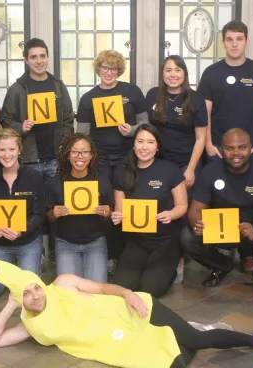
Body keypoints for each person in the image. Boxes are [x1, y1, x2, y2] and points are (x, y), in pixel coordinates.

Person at [0, 259, 253, 368]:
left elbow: (105, 288)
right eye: (27, 293)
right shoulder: (30, 326)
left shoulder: (63, 283)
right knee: (176, 360)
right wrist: (12, 304)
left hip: (135, 311)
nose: (36, 294)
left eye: (35, 286)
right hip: (119, 343)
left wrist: (128, 294)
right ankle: (195, 330)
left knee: (195, 343)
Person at [197, 20, 253, 274]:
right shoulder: (211, 73)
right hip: (219, 151)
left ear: (246, 41)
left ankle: (248, 252)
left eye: (239, 39)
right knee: (221, 201)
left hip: (250, 152)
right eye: (229, 39)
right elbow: (204, 112)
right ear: (223, 43)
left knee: (250, 202)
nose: (234, 44)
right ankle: (222, 249)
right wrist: (209, 143)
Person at [181, 128, 253, 298]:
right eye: (230, 148)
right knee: (187, 237)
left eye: (242, 147)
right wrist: (197, 223)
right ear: (221, 149)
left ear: (250, 148)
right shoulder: (210, 171)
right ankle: (222, 265)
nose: (236, 153)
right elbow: (195, 209)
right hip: (221, 228)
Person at [2, 38, 74, 263]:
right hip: (29, 159)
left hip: (54, 158)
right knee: (32, 207)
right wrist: (20, 127)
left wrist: (63, 144)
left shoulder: (58, 86)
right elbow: (6, 120)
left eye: (42, 56)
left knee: (56, 206)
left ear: (47, 58)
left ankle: (55, 252)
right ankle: (35, 253)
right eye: (33, 57)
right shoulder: (17, 88)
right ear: (26, 60)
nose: (39, 61)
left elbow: (68, 119)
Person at [77, 50, 149, 274]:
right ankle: (108, 254)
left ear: (119, 70)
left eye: (114, 69)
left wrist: (132, 131)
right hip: (99, 160)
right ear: (98, 69)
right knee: (105, 206)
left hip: (127, 157)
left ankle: (128, 253)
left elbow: (145, 125)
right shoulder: (88, 98)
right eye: (105, 68)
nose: (109, 72)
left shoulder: (132, 91)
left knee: (127, 204)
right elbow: (82, 135)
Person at [145, 55, 208, 283]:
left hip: (185, 164)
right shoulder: (153, 95)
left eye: (177, 70)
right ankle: (163, 256)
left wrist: (191, 169)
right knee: (163, 208)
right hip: (159, 162)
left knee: (182, 211)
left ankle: (181, 257)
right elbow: (147, 130)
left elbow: (201, 138)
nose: (173, 74)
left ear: (184, 73)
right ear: (163, 74)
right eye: (168, 70)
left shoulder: (195, 99)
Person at [111, 124, 188, 298]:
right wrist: (117, 215)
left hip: (165, 240)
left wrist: (171, 214)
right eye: (140, 141)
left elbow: (182, 205)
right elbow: (119, 207)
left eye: (150, 142)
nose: (144, 147)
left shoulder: (170, 170)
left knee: (149, 289)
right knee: (123, 287)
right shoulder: (121, 171)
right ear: (133, 144)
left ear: (157, 146)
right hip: (136, 239)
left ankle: (175, 266)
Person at [0, 129, 46, 299]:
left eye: (11, 149)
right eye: (2, 150)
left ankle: (30, 263)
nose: (7, 154)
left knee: (29, 293)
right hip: (0, 245)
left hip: (28, 243)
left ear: (19, 150)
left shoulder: (34, 176)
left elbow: (39, 214)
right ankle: (15, 269)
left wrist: (21, 231)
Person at [46, 133, 113, 282]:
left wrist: (108, 212)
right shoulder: (55, 182)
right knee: (69, 290)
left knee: (96, 291)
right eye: (74, 152)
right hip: (66, 243)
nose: (79, 156)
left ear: (91, 155)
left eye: (84, 152)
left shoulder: (102, 180)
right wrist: (54, 213)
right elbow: (47, 216)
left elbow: (113, 213)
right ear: (67, 155)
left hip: (95, 242)